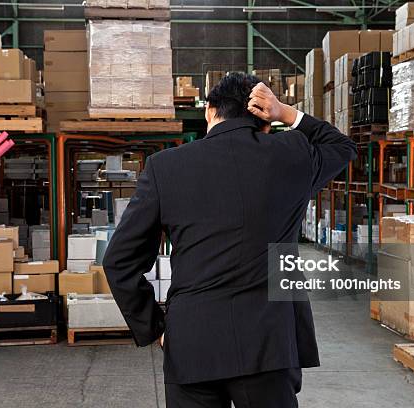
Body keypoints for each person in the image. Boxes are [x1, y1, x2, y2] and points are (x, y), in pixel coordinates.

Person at [103, 72, 357, 407]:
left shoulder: (165, 168)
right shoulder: (290, 155)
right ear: (263, 120)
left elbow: (118, 260)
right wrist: (286, 113)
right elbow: (342, 146)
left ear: (209, 111)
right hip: (267, 342)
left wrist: (154, 327)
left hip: (192, 340)